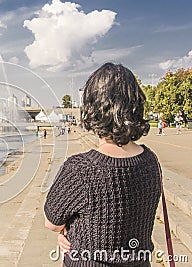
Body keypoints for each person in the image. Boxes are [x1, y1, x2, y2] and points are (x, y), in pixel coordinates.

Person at [44, 63, 161, 266]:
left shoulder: (80, 169)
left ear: (93, 107)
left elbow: (52, 222)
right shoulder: (150, 161)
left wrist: (69, 232)